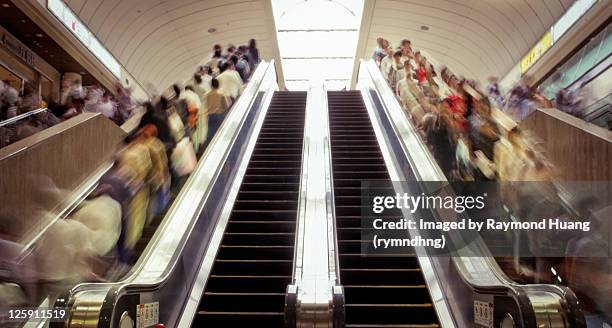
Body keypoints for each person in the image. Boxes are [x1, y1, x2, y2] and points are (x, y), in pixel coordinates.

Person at [204, 78, 229, 143]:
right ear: (218, 85)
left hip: (210, 116)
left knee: (210, 136)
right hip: (219, 115)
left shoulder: (207, 95)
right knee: (222, 134)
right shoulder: (221, 93)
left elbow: (206, 105)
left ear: (211, 86)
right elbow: (226, 105)